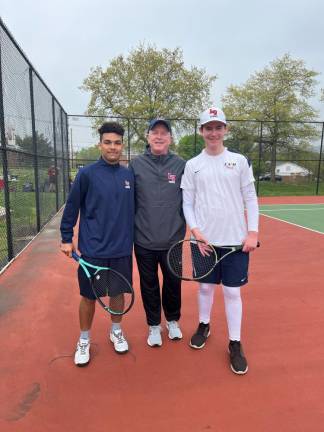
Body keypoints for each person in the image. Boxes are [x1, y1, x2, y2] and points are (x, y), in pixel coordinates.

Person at [180, 107, 259, 375]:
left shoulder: (239, 161)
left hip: (235, 242)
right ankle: (204, 325)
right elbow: (187, 203)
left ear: (225, 130)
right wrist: (196, 229)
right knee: (204, 289)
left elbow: (251, 198)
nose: (213, 132)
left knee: (232, 292)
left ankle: (235, 343)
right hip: (203, 242)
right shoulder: (192, 165)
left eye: (218, 127)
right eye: (208, 127)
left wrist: (253, 232)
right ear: (201, 131)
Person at [60, 122, 134, 366]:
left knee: (117, 293)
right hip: (92, 250)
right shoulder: (86, 174)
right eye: (108, 142)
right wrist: (66, 238)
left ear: (122, 145)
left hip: (122, 249)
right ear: (100, 144)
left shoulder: (128, 175)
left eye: (117, 143)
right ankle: (84, 340)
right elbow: (71, 208)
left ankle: (115, 330)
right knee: (88, 297)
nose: (113, 147)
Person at [129, 119, 186, 347]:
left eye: (164, 133)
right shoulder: (135, 165)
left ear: (170, 138)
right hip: (143, 240)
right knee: (149, 284)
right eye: (155, 132)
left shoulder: (182, 165)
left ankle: (172, 321)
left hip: (173, 240)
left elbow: (193, 200)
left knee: (173, 283)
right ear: (148, 137)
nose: (159, 136)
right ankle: (154, 325)